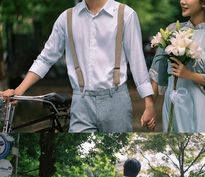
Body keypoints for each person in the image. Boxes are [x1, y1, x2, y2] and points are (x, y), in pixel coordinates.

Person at [0, 0, 155, 133]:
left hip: (116, 100)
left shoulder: (126, 14)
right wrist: (18, 91)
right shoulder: (67, 18)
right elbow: (45, 59)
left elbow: (137, 62)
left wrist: (149, 104)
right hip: (81, 102)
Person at [150, 0, 205, 133]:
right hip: (172, 104)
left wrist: (189, 74)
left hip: (200, 106)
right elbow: (156, 74)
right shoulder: (172, 31)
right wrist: (150, 108)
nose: (182, 1)